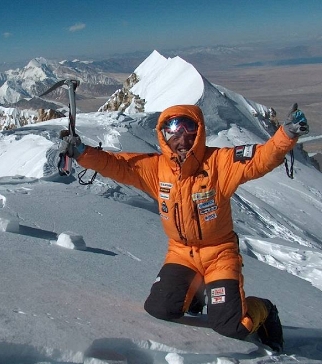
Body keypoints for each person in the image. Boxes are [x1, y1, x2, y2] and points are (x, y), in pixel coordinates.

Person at [60, 104, 309, 352]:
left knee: (231, 325)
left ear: (198, 132)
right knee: (160, 309)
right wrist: (82, 152)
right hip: (181, 253)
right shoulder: (157, 169)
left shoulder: (219, 163)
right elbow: (118, 164)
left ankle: (265, 310)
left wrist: (285, 135)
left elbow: (260, 158)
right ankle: (198, 292)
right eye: (173, 132)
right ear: (164, 136)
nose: (181, 138)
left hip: (219, 254)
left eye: (188, 130)